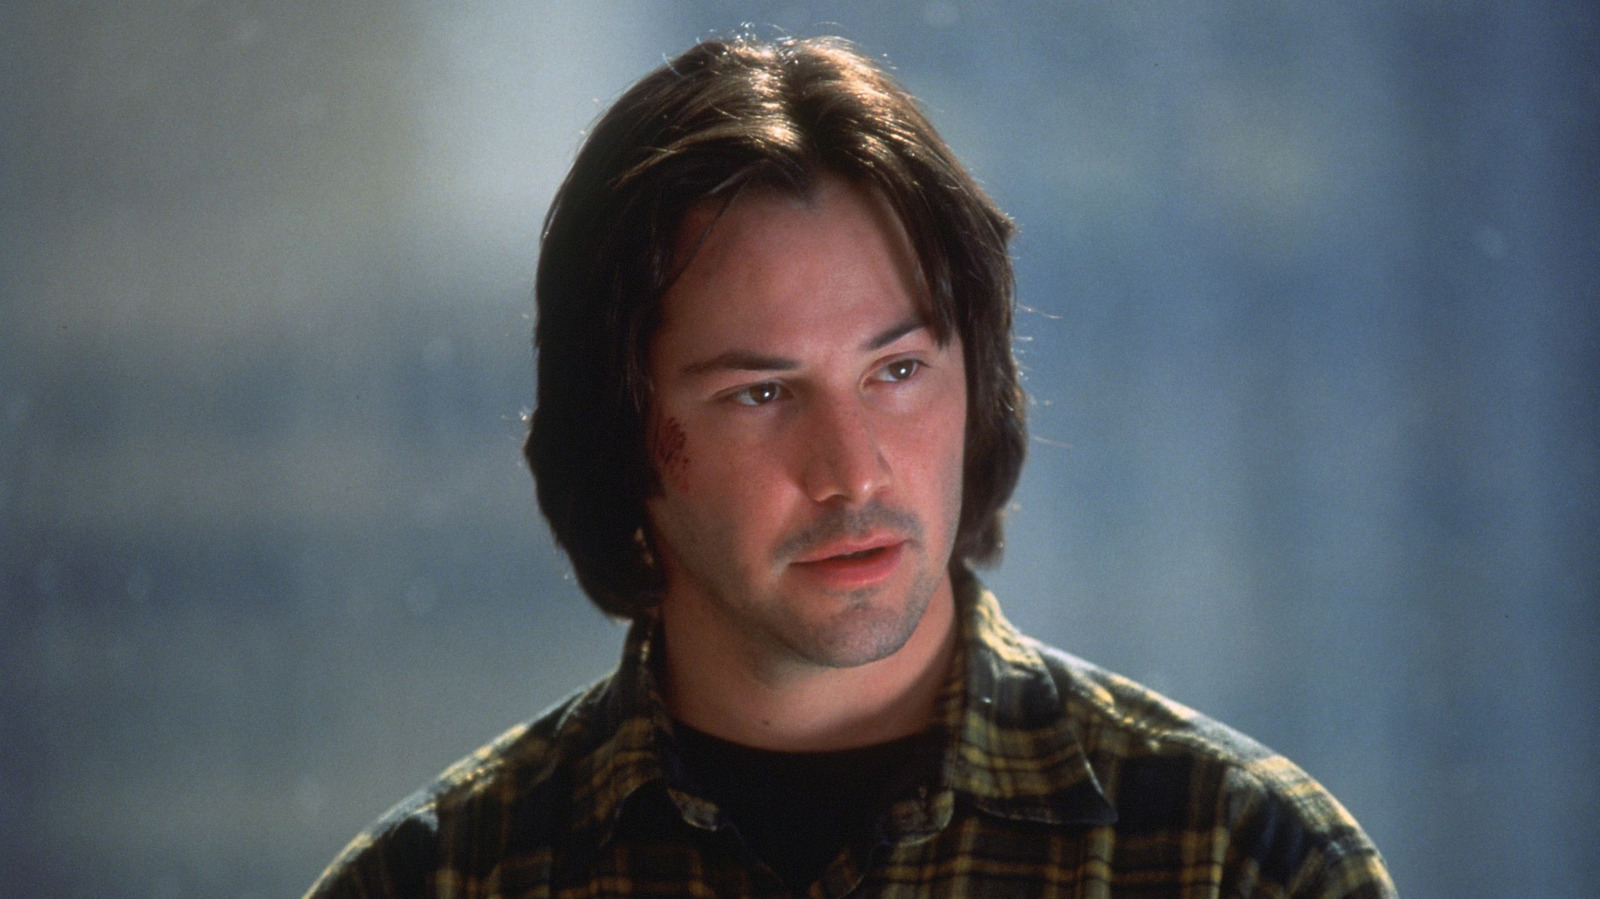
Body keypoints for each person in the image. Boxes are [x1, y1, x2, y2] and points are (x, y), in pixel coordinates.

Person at [305, 34, 1396, 898]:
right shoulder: (440, 877)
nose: (852, 471)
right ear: (621, 429)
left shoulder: (1242, 860)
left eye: (898, 370)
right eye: (761, 393)